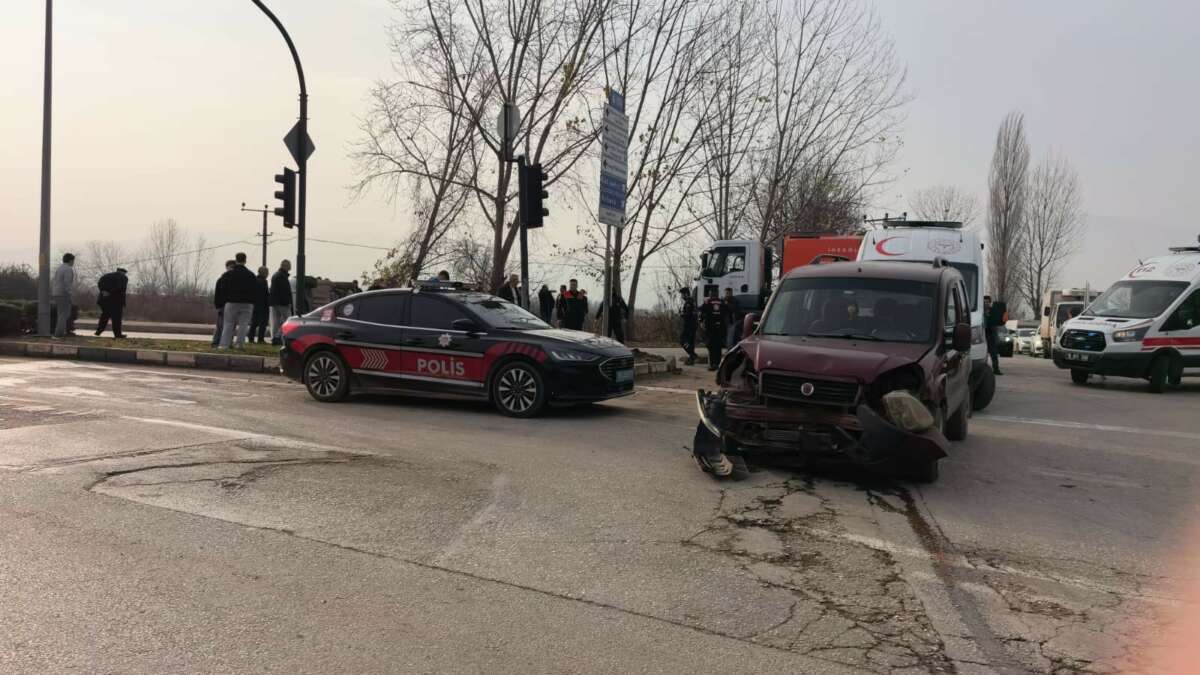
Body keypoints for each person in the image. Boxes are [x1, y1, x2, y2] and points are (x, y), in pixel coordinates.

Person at [218, 253, 258, 349]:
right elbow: (255, 289)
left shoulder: (228, 274)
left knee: (228, 324)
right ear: (245, 261)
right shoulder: (251, 275)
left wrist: (224, 301)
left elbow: (222, 288)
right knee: (243, 325)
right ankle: (240, 344)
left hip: (231, 302)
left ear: (236, 260)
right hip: (247, 303)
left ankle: (224, 345)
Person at [94, 267, 128, 338]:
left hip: (104, 300)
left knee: (105, 315)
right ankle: (118, 334)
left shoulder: (106, 276)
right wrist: (110, 293)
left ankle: (99, 331)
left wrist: (103, 291)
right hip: (116, 301)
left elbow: (99, 283)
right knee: (116, 318)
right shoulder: (123, 277)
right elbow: (121, 288)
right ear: (123, 273)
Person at [699, 287, 727, 370]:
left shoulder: (708, 302)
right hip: (720, 327)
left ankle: (712, 364)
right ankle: (717, 364)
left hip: (710, 328)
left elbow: (700, 311)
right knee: (718, 346)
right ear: (717, 294)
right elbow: (728, 312)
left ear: (710, 294)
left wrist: (701, 321)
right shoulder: (722, 302)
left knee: (710, 346)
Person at [50, 253, 76, 338]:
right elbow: (67, 282)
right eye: (73, 261)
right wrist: (69, 293)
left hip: (56, 293)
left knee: (61, 313)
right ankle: (59, 334)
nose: (73, 263)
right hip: (63, 293)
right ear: (70, 260)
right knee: (64, 314)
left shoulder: (60, 268)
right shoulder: (68, 269)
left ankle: (61, 332)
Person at [211, 260, 236, 347]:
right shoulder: (222, 280)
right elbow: (218, 294)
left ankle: (227, 343)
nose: (232, 269)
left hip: (230, 306)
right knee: (220, 326)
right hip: (223, 305)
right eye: (231, 267)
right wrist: (218, 306)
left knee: (230, 326)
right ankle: (216, 342)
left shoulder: (229, 280)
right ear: (227, 267)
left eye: (233, 267)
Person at [269, 260, 293, 345]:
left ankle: (275, 337)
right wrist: (287, 302)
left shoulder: (276, 275)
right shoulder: (282, 276)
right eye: (289, 265)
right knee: (288, 320)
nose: (290, 267)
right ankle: (277, 336)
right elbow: (284, 291)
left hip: (274, 302)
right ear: (285, 266)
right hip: (282, 303)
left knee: (276, 321)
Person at [984, 294, 1004, 375]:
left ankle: (996, 369)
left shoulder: (993, 311)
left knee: (994, 353)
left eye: (987, 302)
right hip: (982, 334)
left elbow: (999, 320)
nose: (986, 304)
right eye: (984, 302)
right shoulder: (980, 311)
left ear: (990, 302)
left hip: (991, 334)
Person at [249, 266, 271, 344]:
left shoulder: (254, 280)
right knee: (263, 323)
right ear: (263, 272)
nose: (268, 274)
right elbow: (265, 294)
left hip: (255, 305)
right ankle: (260, 339)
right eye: (267, 272)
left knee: (254, 323)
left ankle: (250, 338)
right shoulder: (263, 281)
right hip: (262, 306)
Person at [679, 288, 698, 366]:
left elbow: (688, 315)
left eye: (682, 294)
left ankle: (693, 355)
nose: (681, 296)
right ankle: (691, 358)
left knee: (682, 341)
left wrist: (682, 314)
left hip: (689, 326)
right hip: (692, 325)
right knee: (690, 342)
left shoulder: (688, 303)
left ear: (686, 294)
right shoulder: (692, 301)